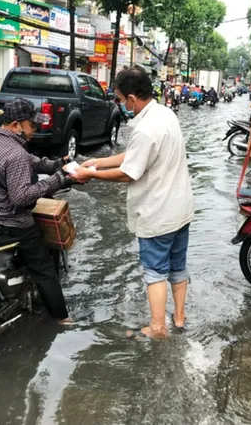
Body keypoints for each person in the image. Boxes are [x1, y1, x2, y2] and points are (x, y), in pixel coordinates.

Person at [72, 68, 194, 339]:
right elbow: (136, 155)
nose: (120, 105)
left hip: (158, 212)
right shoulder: (165, 114)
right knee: (178, 266)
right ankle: (180, 317)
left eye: (119, 99)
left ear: (130, 98)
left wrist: (90, 174)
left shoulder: (146, 128)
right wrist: (99, 161)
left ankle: (158, 327)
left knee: (155, 272)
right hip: (181, 209)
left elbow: (129, 172)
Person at [0, 98, 76, 324]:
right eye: (32, 126)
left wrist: (56, 164)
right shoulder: (15, 154)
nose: (34, 131)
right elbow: (21, 197)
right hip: (9, 223)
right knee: (44, 267)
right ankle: (61, 318)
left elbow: (29, 161)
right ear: (16, 125)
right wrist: (58, 179)